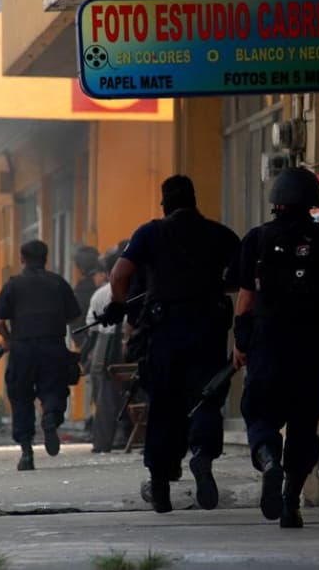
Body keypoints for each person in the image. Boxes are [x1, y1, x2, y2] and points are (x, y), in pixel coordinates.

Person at [231, 167, 319, 529]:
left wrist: (240, 342)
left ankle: (269, 459)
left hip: (267, 345)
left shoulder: (256, 239)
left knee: (259, 414)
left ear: (275, 201)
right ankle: (291, 500)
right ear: (312, 201)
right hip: (312, 347)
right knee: (305, 424)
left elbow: (245, 299)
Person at [96, 175, 241, 513]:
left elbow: (119, 276)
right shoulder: (219, 234)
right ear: (194, 199)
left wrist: (124, 307)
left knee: (163, 403)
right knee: (206, 397)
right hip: (208, 329)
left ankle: (160, 485)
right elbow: (242, 278)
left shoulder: (150, 233)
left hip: (164, 333)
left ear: (165, 203)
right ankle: (202, 456)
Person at [0, 240, 82, 471]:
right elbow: (73, 317)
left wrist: (8, 340)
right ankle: (50, 416)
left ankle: (26, 453)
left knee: (21, 396)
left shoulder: (13, 285)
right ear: (46, 258)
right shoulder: (58, 283)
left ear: (22, 258)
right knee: (53, 388)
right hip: (53, 345)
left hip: (22, 349)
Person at [85, 241, 130, 453]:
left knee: (106, 396)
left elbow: (91, 330)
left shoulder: (100, 294)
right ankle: (132, 436)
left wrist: (88, 355)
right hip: (132, 344)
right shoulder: (140, 289)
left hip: (106, 347)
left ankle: (103, 442)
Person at [71, 245, 103, 349]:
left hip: (89, 349)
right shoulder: (107, 287)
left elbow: (75, 327)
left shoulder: (79, 291)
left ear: (79, 268)